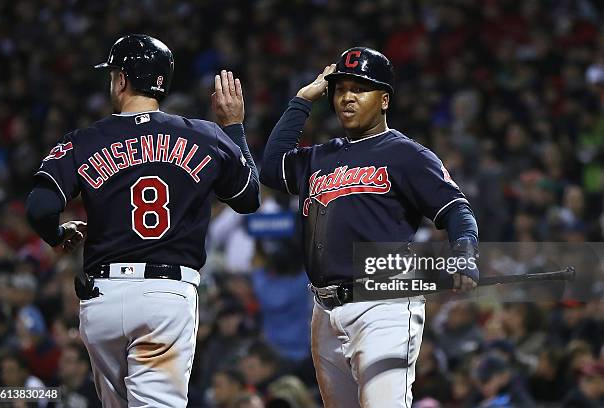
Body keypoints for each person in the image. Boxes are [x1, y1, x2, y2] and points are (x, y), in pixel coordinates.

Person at [26, 34, 260, 407]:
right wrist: (233, 127)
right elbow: (248, 198)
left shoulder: (85, 140)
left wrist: (56, 235)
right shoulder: (204, 134)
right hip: (165, 297)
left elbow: (39, 207)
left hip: (102, 298)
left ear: (121, 79)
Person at [260, 47, 479, 407]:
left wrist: (464, 251)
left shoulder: (408, 154)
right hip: (324, 307)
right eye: (340, 89)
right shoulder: (319, 156)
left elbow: (456, 210)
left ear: (384, 99)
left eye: (359, 89)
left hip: (384, 301)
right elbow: (270, 167)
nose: (347, 97)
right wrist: (301, 100)